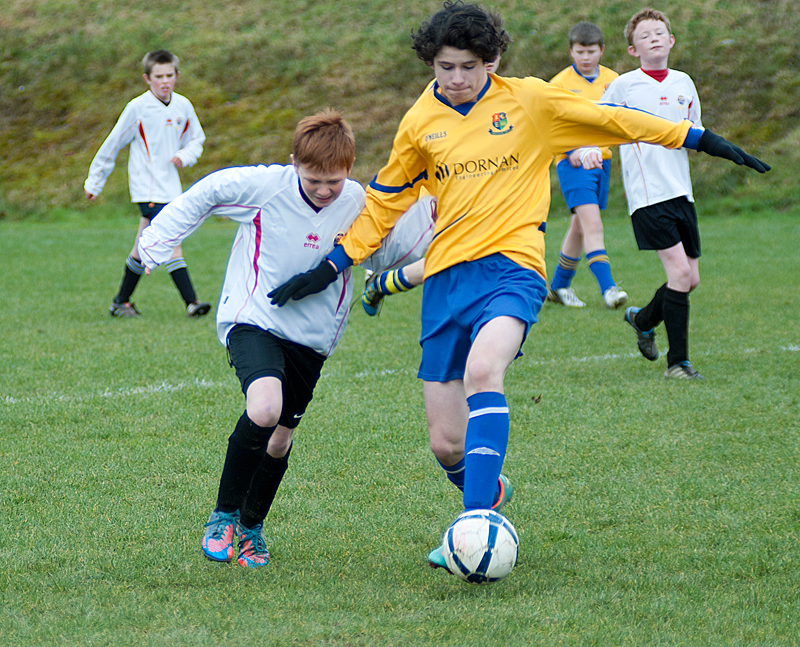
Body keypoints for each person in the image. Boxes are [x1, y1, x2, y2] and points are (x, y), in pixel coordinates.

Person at [269, 1, 768, 573]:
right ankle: (486, 491)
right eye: (444, 67)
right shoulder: (419, 122)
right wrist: (334, 263)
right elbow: (385, 199)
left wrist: (700, 139)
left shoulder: (530, 100)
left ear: (493, 60)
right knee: (445, 445)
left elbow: (619, 122)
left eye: (469, 67)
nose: (456, 79)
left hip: (513, 267)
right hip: (446, 280)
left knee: (486, 370)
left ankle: (475, 520)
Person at [138, 110, 434, 568]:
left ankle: (251, 529)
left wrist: (432, 223)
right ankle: (223, 516)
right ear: (294, 161)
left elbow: (388, 249)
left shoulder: (358, 201)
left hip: (313, 340)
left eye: (332, 180)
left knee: (279, 439)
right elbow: (207, 193)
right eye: (313, 178)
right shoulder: (266, 186)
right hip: (253, 317)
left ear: (349, 168)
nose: (322, 189)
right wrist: (156, 239)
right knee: (264, 408)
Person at [602, 8, 720, 379]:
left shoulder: (684, 82)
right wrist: (590, 150)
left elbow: (696, 132)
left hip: (681, 191)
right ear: (633, 49)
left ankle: (642, 318)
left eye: (659, 32)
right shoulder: (624, 85)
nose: (653, 37)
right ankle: (678, 364)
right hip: (648, 194)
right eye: (644, 35)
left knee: (690, 278)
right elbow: (596, 123)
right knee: (680, 272)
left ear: (671, 41)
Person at [360, 55, 504, 316]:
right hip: (440, 202)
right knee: (454, 261)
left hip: (482, 204)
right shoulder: (441, 96)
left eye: (492, 57)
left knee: (465, 263)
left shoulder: (505, 98)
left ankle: (382, 283)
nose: (489, 63)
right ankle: (383, 282)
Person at [84, 49, 211, 319]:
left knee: (142, 246)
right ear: (147, 78)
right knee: (172, 239)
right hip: (147, 189)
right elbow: (113, 143)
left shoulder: (183, 106)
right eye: (158, 76)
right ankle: (192, 302)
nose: (164, 81)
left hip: (171, 189)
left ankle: (121, 302)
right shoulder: (137, 108)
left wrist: (184, 156)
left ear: (177, 76)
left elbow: (196, 140)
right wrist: (94, 181)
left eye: (169, 75)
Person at [547, 22, 628, 309]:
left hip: (601, 163)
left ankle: (558, 286)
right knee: (592, 224)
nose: (585, 57)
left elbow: (623, 118)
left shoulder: (614, 80)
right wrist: (574, 150)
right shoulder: (558, 84)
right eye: (580, 51)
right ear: (571, 51)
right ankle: (609, 289)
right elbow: (550, 126)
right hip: (573, 165)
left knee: (580, 228)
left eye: (591, 51)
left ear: (601, 50)